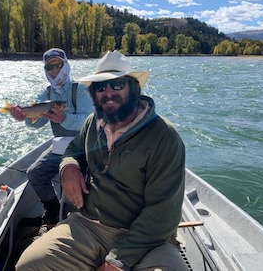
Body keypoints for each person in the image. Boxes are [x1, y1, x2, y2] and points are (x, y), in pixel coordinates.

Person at [15, 50, 188, 271]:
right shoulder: (92, 123)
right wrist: (69, 166)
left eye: (117, 85)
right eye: (100, 86)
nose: (108, 93)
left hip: (147, 239)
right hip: (89, 226)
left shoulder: (164, 137)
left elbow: (163, 214)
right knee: (28, 266)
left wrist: (117, 259)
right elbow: (74, 150)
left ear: (134, 88)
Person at [9, 48, 94, 225]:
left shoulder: (81, 89)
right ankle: (53, 210)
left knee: (73, 180)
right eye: (49, 67)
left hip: (85, 147)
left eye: (58, 65)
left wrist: (64, 118)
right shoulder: (45, 94)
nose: (54, 70)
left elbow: (89, 120)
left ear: (66, 65)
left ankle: (79, 214)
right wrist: (24, 117)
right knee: (35, 173)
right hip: (60, 147)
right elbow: (38, 124)